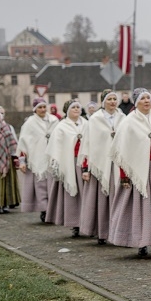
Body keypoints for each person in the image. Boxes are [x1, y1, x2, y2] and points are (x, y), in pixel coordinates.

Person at [109, 88, 151, 260]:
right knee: (141, 208)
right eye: (143, 98)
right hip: (138, 171)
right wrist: (124, 175)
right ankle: (141, 241)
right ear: (136, 102)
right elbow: (122, 152)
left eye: (149, 98)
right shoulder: (128, 122)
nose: (147, 101)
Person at [78, 90, 124, 245]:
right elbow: (88, 144)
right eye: (109, 99)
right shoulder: (95, 120)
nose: (112, 102)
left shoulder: (123, 118)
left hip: (118, 165)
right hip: (100, 164)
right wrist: (86, 168)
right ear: (103, 102)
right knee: (101, 200)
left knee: (119, 198)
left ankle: (118, 231)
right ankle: (102, 232)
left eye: (114, 99)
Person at [45, 99, 86, 237]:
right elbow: (56, 146)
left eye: (78, 107)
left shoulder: (86, 124)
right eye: (73, 107)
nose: (76, 110)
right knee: (73, 195)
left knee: (86, 194)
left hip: (84, 163)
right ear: (68, 110)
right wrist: (57, 163)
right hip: (69, 164)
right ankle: (75, 223)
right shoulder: (61, 126)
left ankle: (88, 222)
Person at [17, 98, 59, 222]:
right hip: (36, 159)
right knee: (40, 186)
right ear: (35, 109)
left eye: (43, 107)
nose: (42, 110)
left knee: (52, 185)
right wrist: (22, 161)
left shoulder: (54, 120)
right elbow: (23, 143)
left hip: (52, 158)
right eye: (39, 107)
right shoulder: (30, 123)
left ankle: (53, 210)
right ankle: (44, 210)